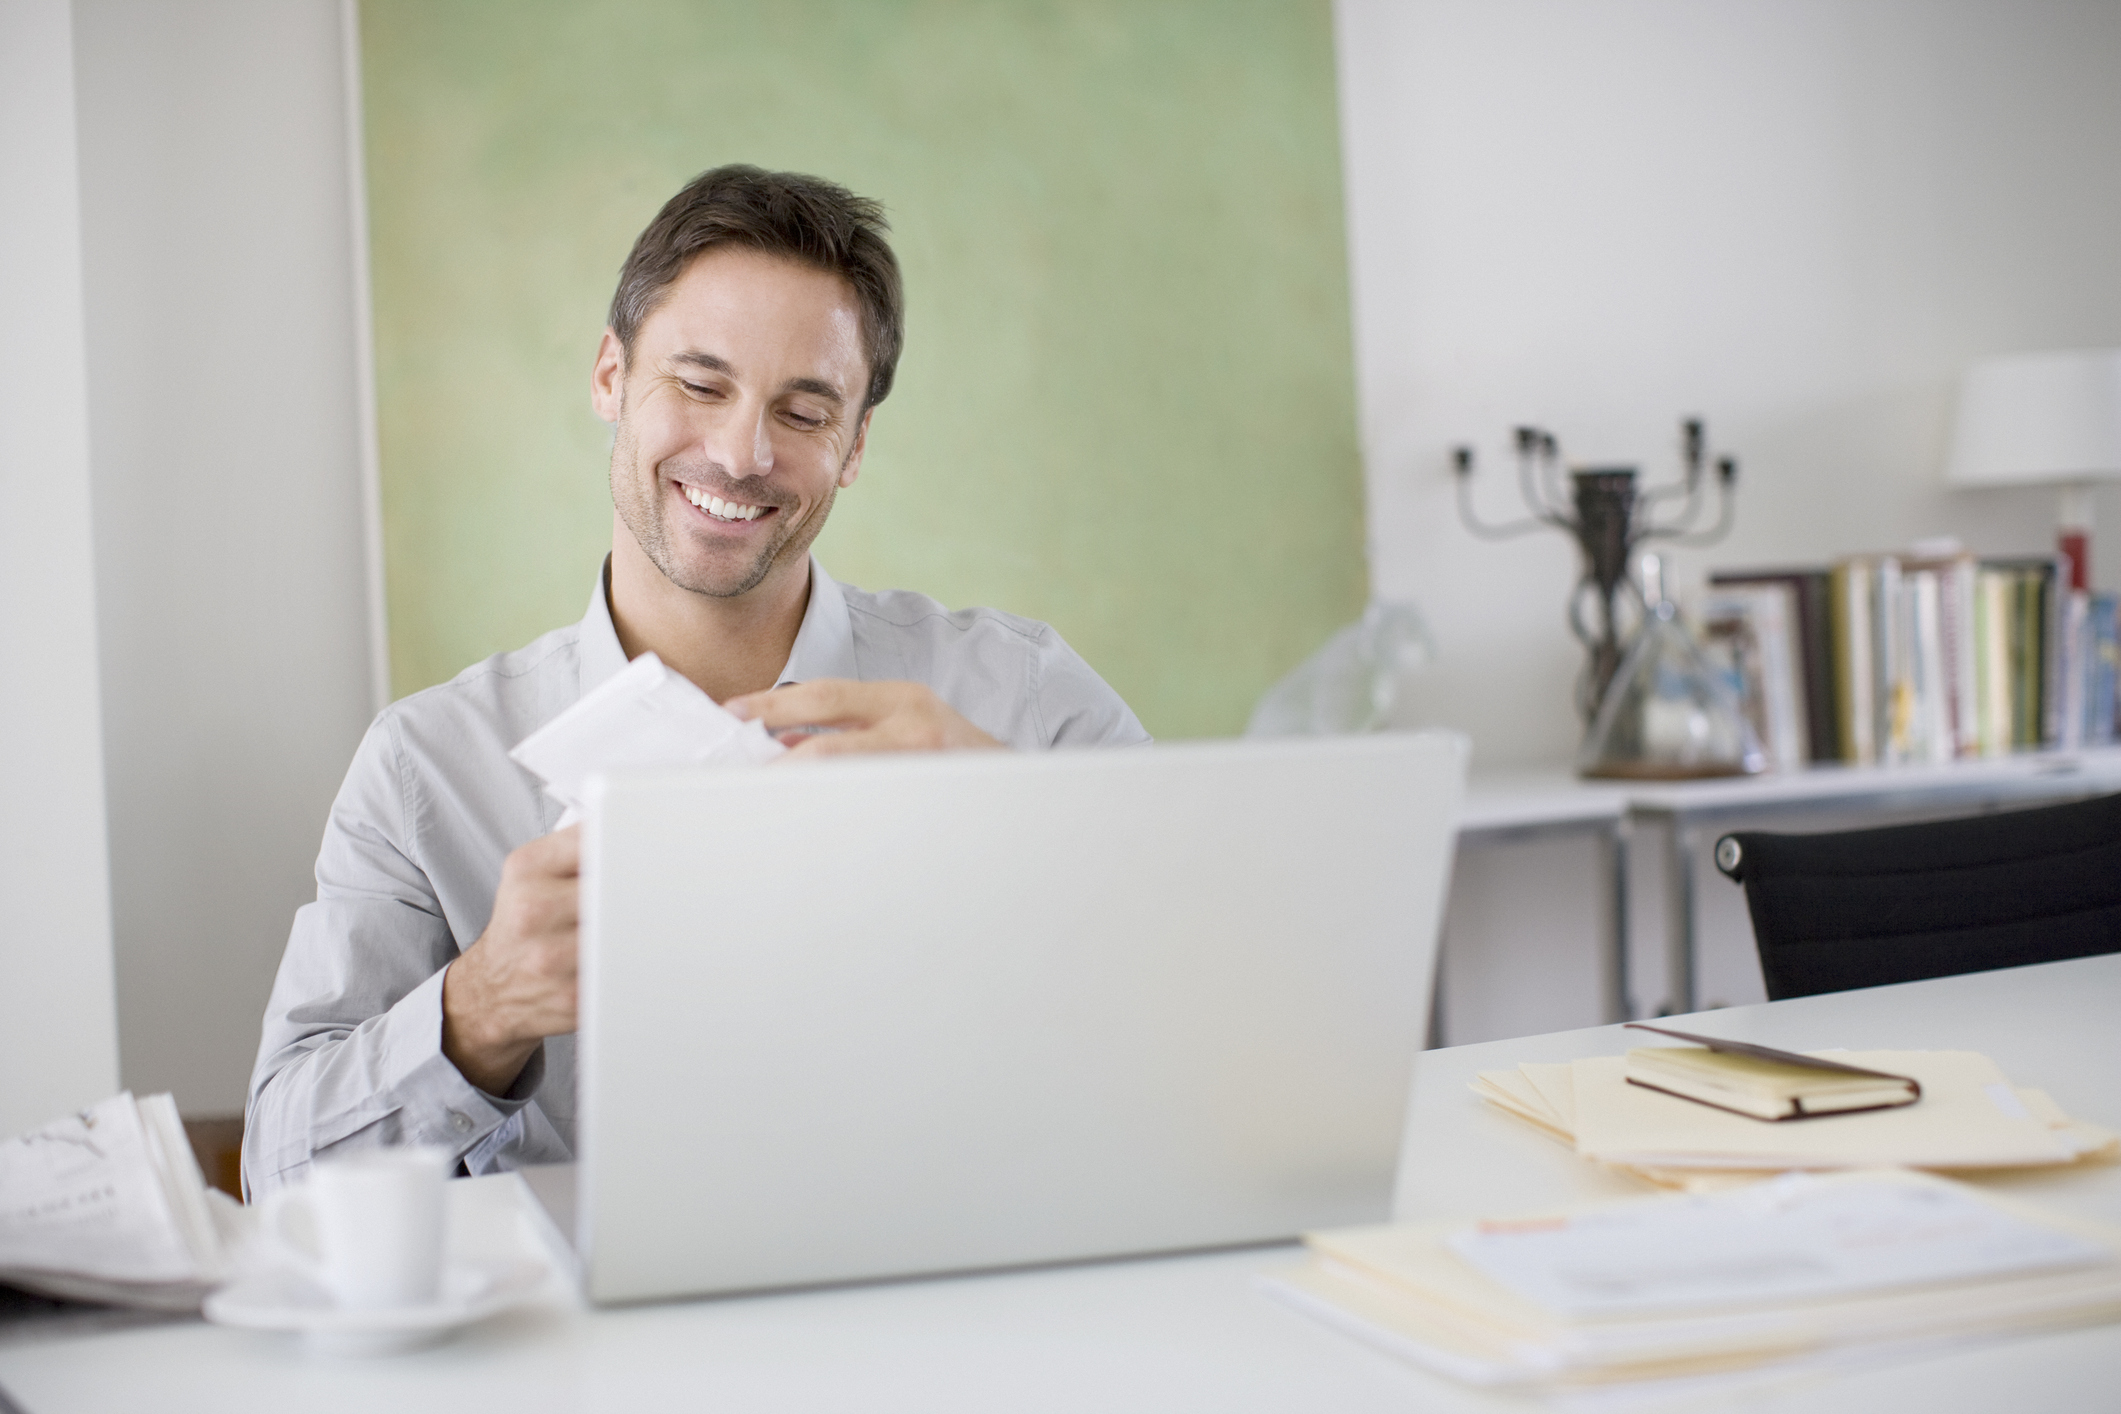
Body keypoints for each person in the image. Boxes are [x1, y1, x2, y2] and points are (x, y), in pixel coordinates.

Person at [245, 165, 1147, 1195]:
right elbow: (278, 1179)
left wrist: (1028, 822)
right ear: (608, 376)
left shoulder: (1019, 697)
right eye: (700, 384)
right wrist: (481, 1007)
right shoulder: (424, 769)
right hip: (583, 1347)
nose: (740, 452)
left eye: (805, 412)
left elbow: (1233, 1014)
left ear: (853, 448)